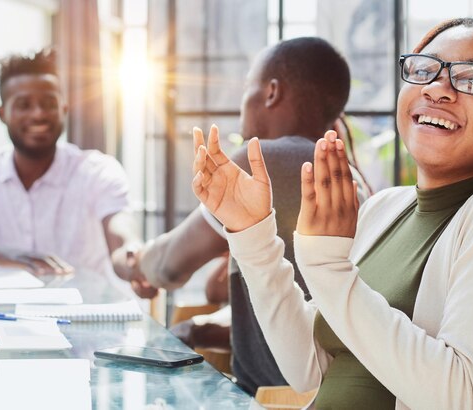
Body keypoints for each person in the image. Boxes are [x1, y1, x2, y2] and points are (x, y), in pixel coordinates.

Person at [192, 18, 473, 409]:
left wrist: (329, 269)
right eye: (423, 69)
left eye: (471, 79)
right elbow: (307, 369)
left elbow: (461, 397)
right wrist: (253, 237)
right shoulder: (385, 209)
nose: (438, 88)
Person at [114, 37, 370, 394]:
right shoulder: (352, 179)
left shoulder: (263, 161)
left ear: (271, 92)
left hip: (269, 396)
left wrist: (130, 260)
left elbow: (169, 266)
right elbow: (295, 315)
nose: (241, 105)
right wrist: (202, 329)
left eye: (248, 86)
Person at [0, 48, 137, 278]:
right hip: (3, 312)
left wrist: (135, 257)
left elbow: (123, 239)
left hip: (85, 312)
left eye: (49, 103)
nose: (38, 114)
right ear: (3, 114)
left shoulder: (98, 171)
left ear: (64, 109)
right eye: (24, 105)